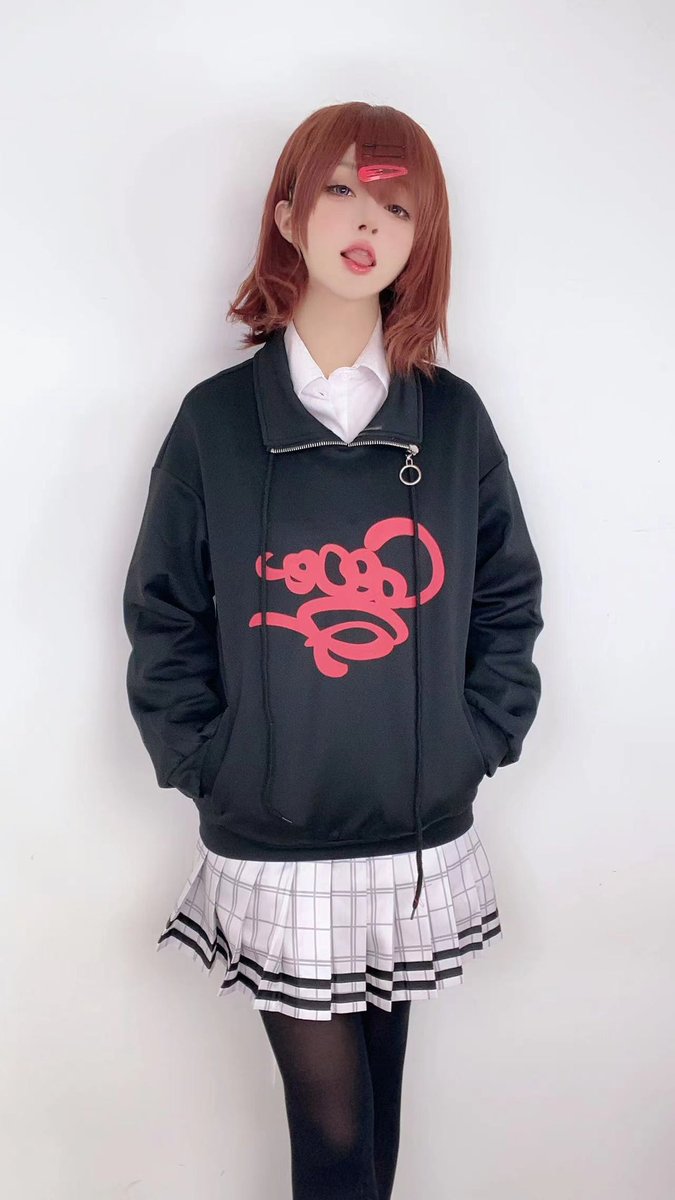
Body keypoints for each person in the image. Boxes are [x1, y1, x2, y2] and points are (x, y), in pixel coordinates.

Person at [122, 101, 544, 1200]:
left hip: (413, 834)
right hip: (277, 834)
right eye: (343, 191)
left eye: (397, 207)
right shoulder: (217, 421)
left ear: (421, 239)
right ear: (288, 214)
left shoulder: (451, 420)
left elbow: (507, 597)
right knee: (334, 1135)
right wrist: (208, 761)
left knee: (376, 1122)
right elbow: (163, 611)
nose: (367, 223)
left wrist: (472, 741)